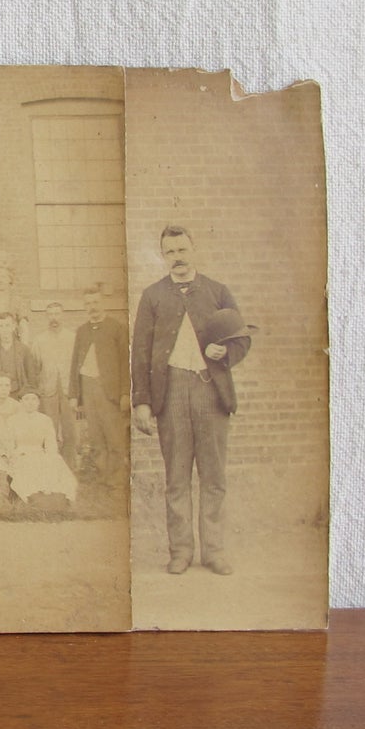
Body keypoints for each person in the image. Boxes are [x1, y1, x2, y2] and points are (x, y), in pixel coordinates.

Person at [131, 226, 251, 575]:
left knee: (213, 476)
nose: (178, 258)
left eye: (183, 249)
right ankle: (180, 551)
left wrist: (224, 351)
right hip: (171, 395)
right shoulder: (152, 296)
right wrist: (142, 401)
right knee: (177, 478)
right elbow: (140, 352)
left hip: (209, 391)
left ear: (193, 249)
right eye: (170, 252)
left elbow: (242, 338)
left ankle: (213, 551)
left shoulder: (217, 291)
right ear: (163, 255)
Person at [68, 286, 130, 487]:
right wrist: (74, 394)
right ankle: (103, 477)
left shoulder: (117, 328)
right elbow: (75, 363)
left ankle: (116, 478)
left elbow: (125, 363)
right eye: (88, 303)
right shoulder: (82, 331)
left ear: (103, 303)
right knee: (95, 436)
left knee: (113, 435)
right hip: (88, 388)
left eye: (95, 302)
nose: (92, 307)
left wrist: (124, 393)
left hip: (109, 391)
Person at [0, 391, 78, 505]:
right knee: (28, 464)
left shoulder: (45, 420)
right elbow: (8, 444)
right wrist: (13, 455)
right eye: (26, 399)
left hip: (39, 453)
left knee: (56, 462)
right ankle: (33, 498)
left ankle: (57, 498)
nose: (30, 403)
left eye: (34, 399)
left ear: (38, 402)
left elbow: (50, 443)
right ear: (20, 402)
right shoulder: (13, 420)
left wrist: (51, 456)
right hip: (21, 454)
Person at [32, 300, 78, 468]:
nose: (54, 318)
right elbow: (35, 369)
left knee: (70, 430)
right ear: (46, 317)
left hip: (67, 391)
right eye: (50, 314)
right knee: (49, 430)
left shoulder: (72, 338)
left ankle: (70, 467)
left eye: (57, 314)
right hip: (47, 391)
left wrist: (76, 393)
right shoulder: (39, 341)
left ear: (62, 315)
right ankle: (51, 466)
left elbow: (77, 366)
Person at [0, 312, 38, 396]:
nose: (5, 330)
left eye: (7, 325)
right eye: (1, 326)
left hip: (19, 394)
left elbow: (31, 376)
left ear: (13, 327)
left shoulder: (23, 349)